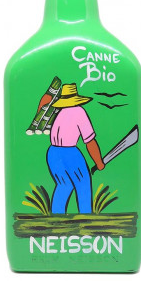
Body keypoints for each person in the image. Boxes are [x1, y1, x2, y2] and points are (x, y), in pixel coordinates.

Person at [40, 83, 105, 214]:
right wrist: (99, 162)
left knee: (64, 185)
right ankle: (86, 216)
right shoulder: (79, 112)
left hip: (52, 153)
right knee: (83, 183)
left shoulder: (59, 113)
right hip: (69, 152)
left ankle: (56, 217)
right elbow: (90, 142)